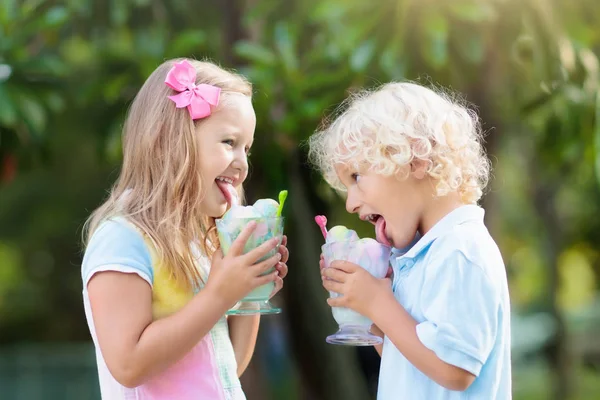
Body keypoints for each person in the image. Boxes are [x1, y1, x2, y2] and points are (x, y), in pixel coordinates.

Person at [81, 58, 289, 399]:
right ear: (172, 141)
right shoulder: (122, 239)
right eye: (229, 142)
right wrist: (220, 293)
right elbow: (129, 365)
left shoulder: (201, 241)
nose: (243, 164)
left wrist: (250, 294)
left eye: (247, 148)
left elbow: (225, 368)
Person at [308, 82, 511, 399]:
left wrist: (377, 302)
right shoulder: (419, 256)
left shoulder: (461, 249)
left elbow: (454, 370)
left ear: (415, 158)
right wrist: (364, 310)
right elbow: (408, 360)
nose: (350, 204)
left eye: (357, 177)